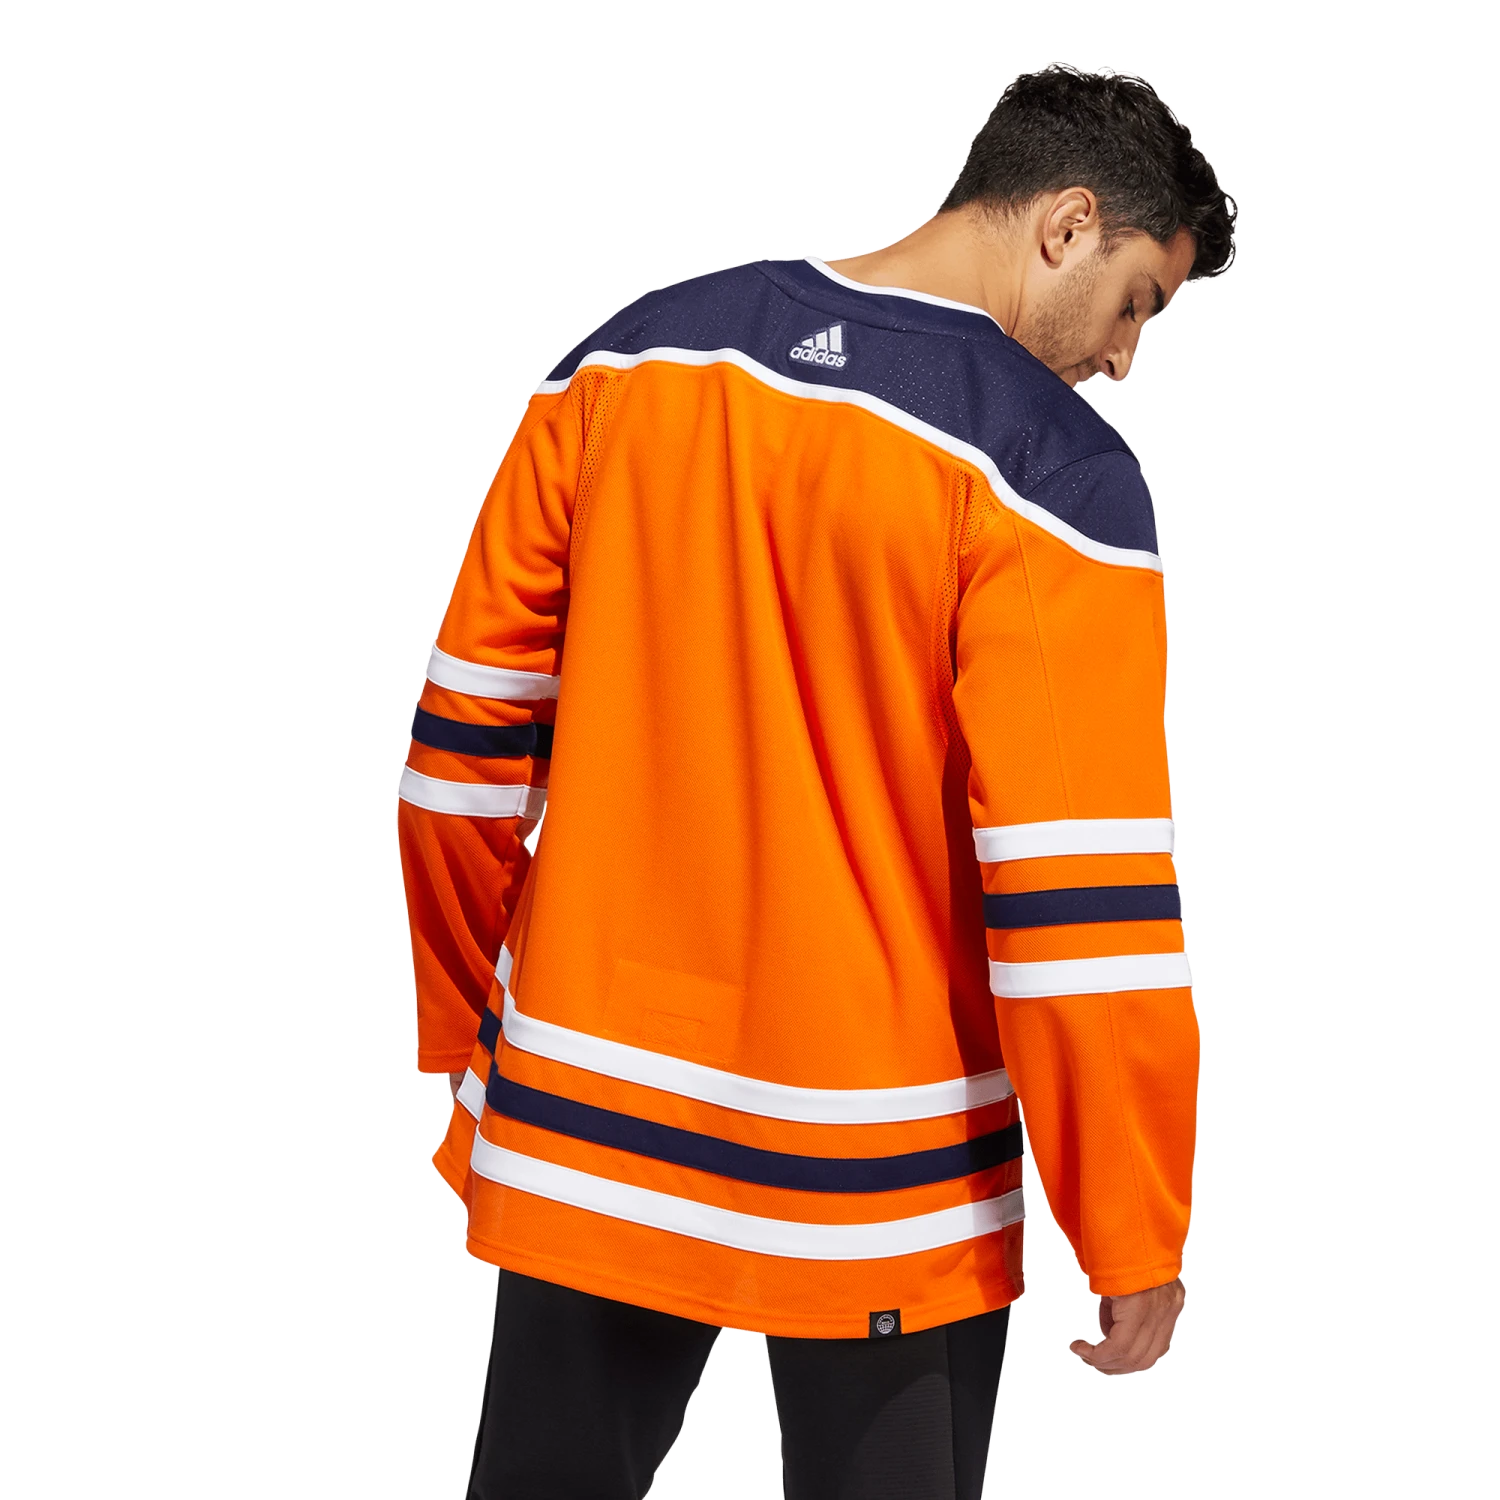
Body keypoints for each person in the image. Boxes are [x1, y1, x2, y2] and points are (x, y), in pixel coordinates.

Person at [397, 61, 1236, 1499]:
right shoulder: (1047, 470)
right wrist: (1131, 1223)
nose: (1123, 358)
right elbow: (1076, 902)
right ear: (1067, 224)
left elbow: (460, 763)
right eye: (1136, 304)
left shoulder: (629, 360)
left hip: (586, 1119)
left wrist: (480, 1033)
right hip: (880, 1178)